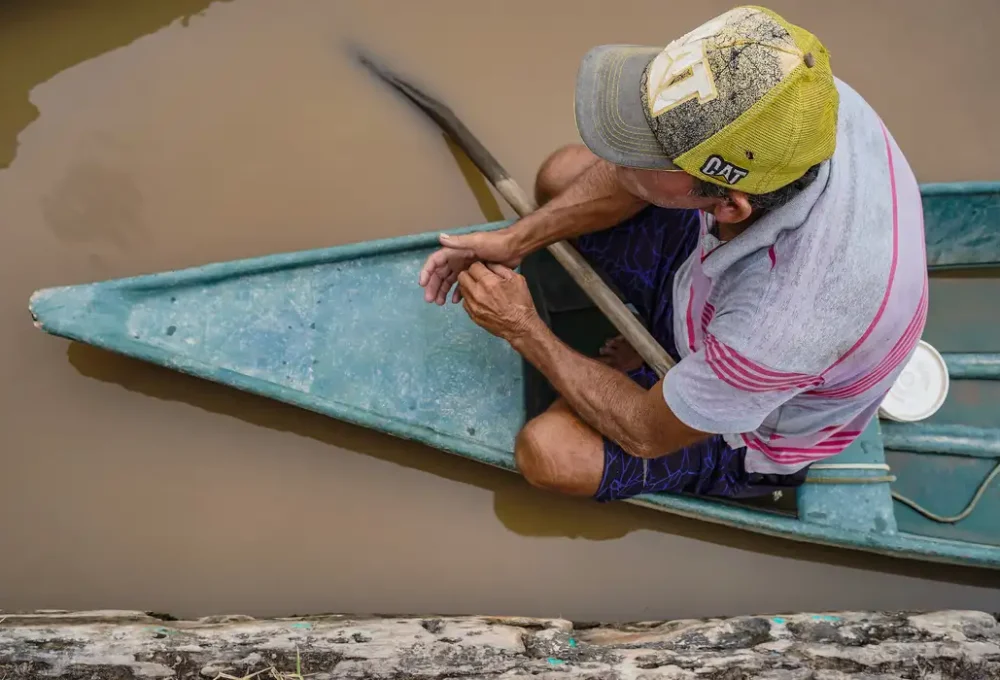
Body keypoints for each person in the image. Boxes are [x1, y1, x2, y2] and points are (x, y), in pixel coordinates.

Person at [417, 5, 927, 503]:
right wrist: (518, 240)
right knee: (561, 174)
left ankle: (687, 373)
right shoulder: (794, 99)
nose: (620, 159)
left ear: (728, 205)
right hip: (714, 288)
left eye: (648, 154)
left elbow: (646, 433)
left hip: (748, 428)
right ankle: (674, 331)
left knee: (549, 453)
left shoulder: (780, 328)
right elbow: (628, 171)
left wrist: (522, 328)